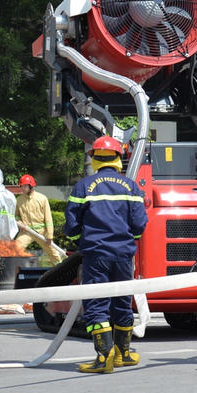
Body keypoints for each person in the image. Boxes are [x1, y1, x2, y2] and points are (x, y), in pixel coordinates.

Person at [65, 135, 148, 373]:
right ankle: (123, 354)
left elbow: (71, 226)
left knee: (96, 303)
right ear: (118, 158)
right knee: (122, 302)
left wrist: (80, 242)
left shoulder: (83, 186)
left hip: (96, 255)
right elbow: (140, 224)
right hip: (124, 255)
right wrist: (127, 240)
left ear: (94, 158)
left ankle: (104, 358)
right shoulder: (131, 186)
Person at [14, 174, 56, 265]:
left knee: (53, 253)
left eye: (24, 186)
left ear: (31, 186)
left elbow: (48, 218)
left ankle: (62, 268)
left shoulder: (42, 198)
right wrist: (19, 221)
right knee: (15, 248)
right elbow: (15, 216)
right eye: (21, 186)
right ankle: (17, 268)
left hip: (41, 232)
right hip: (26, 231)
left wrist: (49, 235)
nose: (22, 188)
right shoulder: (19, 200)